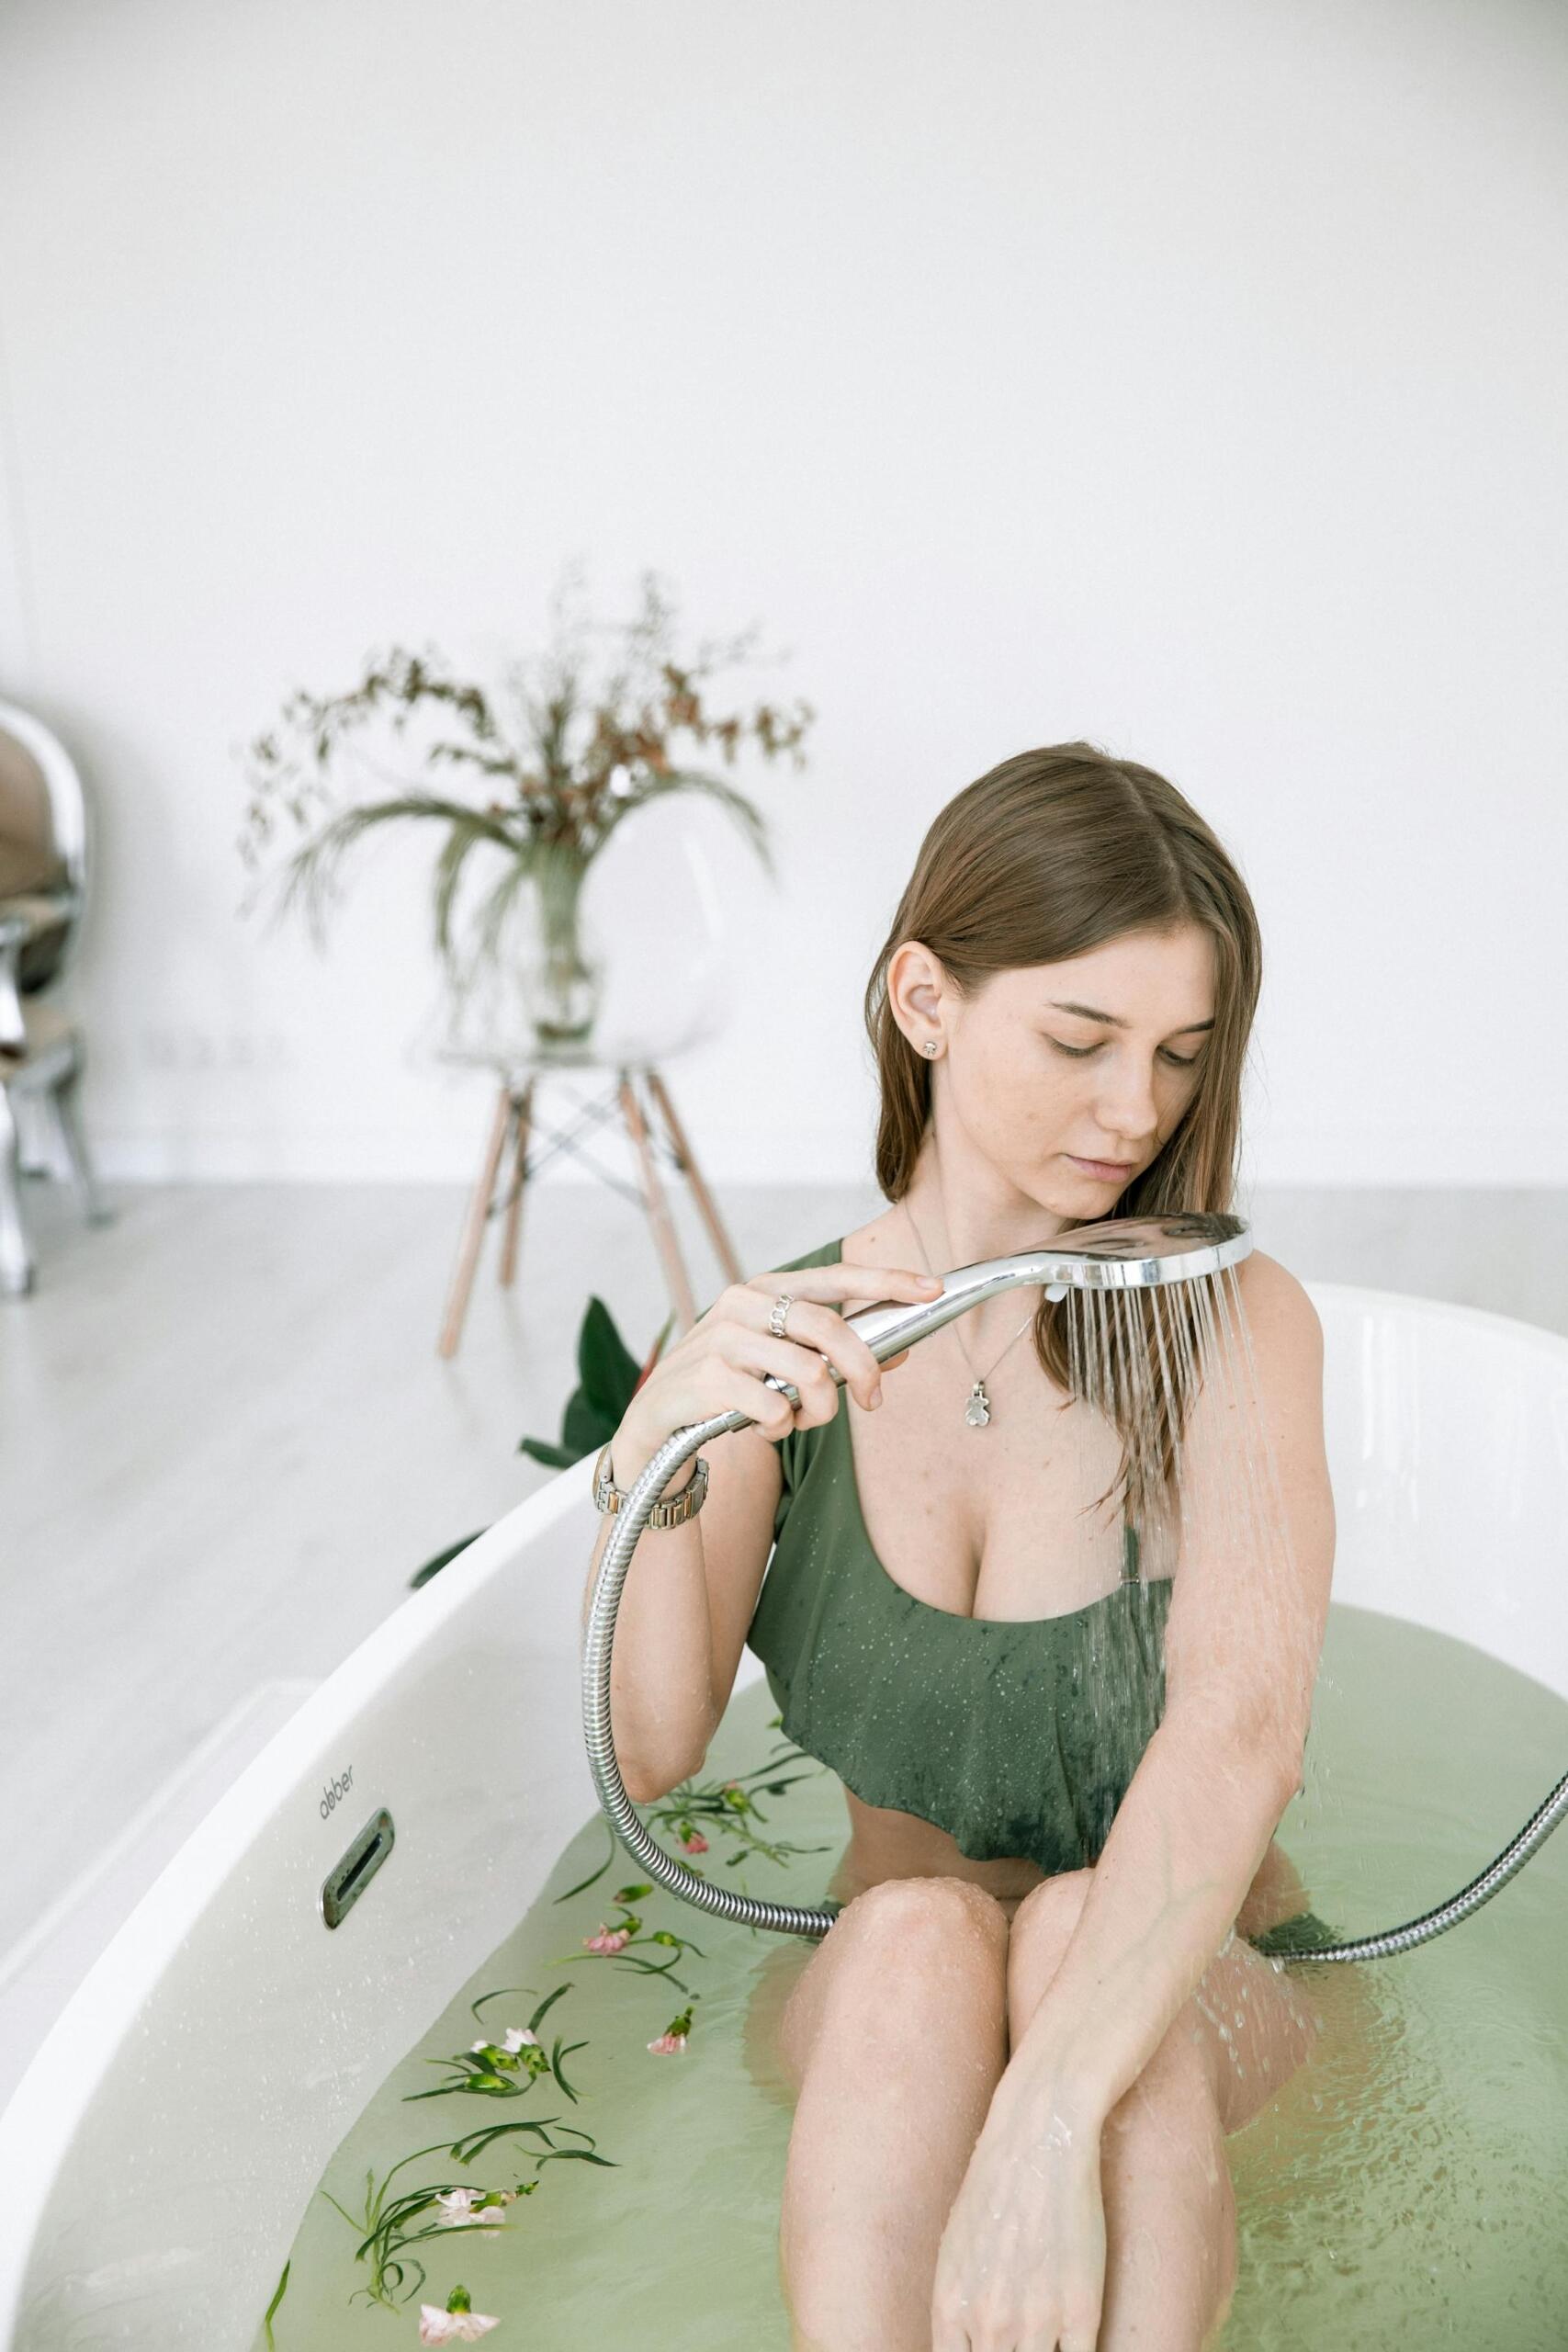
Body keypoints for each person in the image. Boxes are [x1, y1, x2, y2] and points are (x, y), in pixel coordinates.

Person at [583, 742, 1350, 2352]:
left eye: (1180, 1054)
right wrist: (659, 1445)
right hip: (893, 2023)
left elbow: (1240, 1729)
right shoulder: (781, 1338)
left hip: (1188, 1999)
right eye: (1080, 1040)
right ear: (924, 1000)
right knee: (918, 1935)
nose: (1136, 1109)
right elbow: (648, 1749)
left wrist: (1047, 2114)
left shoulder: (1232, 1324)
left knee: (1073, 1929)